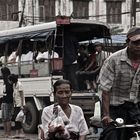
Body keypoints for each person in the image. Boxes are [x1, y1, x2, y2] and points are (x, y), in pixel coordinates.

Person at [98, 27, 140, 140]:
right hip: (113, 107)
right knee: (112, 135)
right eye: (135, 43)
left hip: (133, 106)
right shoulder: (113, 60)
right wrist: (106, 115)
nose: (139, 46)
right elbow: (105, 90)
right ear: (127, 42)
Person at [8, 74, 25, 138]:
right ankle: (19, 133)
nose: (9, 81)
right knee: (17, 119)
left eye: (10, 80)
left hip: (20, 104)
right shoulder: (14, 85)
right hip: (16, 104)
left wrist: (22, 105)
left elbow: (22, 96)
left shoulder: (19, 84)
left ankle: (19, 133)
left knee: (17, 118)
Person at [1, 67, 13, 138]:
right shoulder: (5, 81)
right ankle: (5, 132)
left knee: (7, 117)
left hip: (8, 101)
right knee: (3, 118)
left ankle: (8, 133)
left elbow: (9, 91)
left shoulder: (8, 81)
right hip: (4, 101)